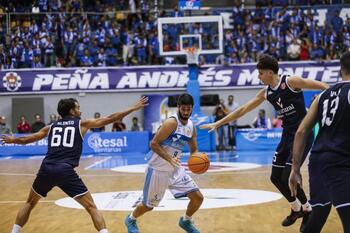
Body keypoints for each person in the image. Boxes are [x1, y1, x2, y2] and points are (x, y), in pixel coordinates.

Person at [200, 54, 328, 231]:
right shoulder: (266, 93)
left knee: (287, 176)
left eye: (260, 73)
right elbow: (243, 110)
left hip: (302, 134)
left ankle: (307, 209)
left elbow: (322, 86)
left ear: (269, 72)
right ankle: (296, 208)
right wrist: (218, 123)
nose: (258, 77)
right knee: (275, 177)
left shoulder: (291, 82)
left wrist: (328, 97)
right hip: (286, 135)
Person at [0, 97, 148, 233]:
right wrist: (133, 108)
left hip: (46, 168)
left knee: (30, 203)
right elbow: (111, 118)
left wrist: (14, 140)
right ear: (71, 110)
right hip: (65, 170)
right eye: (78, 107)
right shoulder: (81, 124)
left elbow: (29, 138)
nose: (80, 110)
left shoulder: (50, 127)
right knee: (91, 207)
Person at [124, 93, 203, 233]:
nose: (185, 112)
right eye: (183, 109)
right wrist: (169, 158)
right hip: (158, 169)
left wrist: (198, 157)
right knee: (148, 206)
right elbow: (153, 144)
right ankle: (131, 219)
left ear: (192, 108)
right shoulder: (171, 123)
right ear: (178, 107)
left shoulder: (191, 126)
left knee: (197, 198)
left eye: (188, 109)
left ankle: (185, 221)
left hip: (175, 169)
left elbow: (194, 149)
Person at [289, 52, 350, 233]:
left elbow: (301, 131)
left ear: (341, 70)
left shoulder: (323, 94)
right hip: (340, 162)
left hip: (317, 161)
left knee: (318, 216)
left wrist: (295, 169)